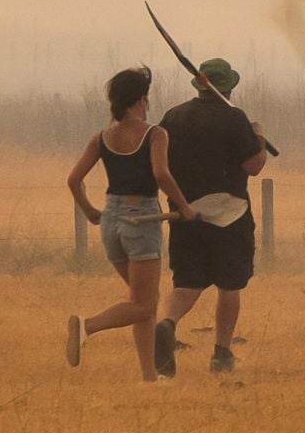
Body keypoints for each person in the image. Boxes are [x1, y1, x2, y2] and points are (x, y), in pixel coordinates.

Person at [64, 67, 196, 380]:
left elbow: (73, 180)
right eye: (146, 98)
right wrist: (185, 207)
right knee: (144, 304)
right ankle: (87, 326)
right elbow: (161, 174)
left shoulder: (101, 138)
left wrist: (90, 212)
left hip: (111, 220)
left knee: (143, 302)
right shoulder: (155, 134)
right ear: (140, 99)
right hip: (142, 220)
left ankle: (149, 377)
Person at [152, 58, 267, 377]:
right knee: (230, 284)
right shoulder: (234, 118)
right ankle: (222, 352)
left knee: (187, 282)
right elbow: (253, 166)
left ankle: (166, 324)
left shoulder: (173, 117)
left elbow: (159, 162)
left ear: (199, 86)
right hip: (230, 214)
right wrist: (259, 136)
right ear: (228, 86)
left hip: (185, 212)